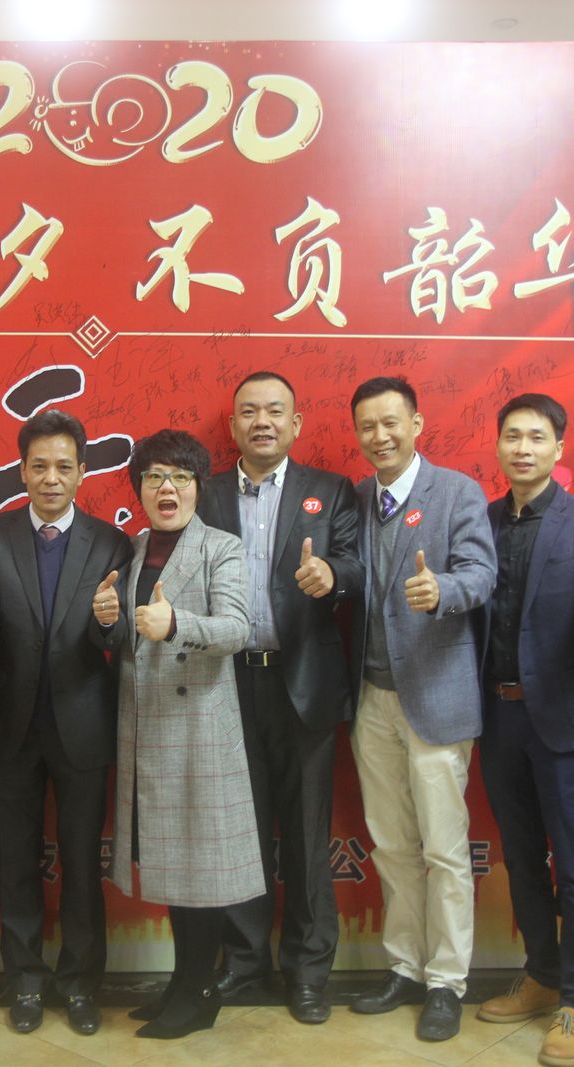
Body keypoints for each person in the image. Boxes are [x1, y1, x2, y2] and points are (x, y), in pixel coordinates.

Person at [0, 409, 132, 1036]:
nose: (51, 478)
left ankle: (81, 984)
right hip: (10, 727)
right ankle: (25, 981)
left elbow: (116, 632)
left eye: (63, 466)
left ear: (83, 472)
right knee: (17, 859)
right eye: (39, 466)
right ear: (22, 471)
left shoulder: (111, 542)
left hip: (83, 725)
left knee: (82, 863)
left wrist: (110, 621)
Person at [197, 371, 363, 1024]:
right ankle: (243, 961)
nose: (261, 421)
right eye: (248, 411)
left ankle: (308, 971)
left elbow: (356, 564)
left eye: (274, 411)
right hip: (226, 683)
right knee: (238, 831)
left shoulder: (332, 490)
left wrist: (332, 574)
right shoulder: (207, 493)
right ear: (233, 426)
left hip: (303, 686)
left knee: (305, 836)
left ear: (296, 424)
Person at [474, 394, 574, 1067]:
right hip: (497, 716)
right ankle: (542, 973)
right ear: (498, 445)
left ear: (559, 448)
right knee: (520, 856)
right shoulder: (480, 521)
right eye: (512, 436)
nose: (523, 448)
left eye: (537, 437)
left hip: (564, 719)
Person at [98, 428, 264, 1041]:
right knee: (169, 863)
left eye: (180, 477)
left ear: (198, 487)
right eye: (153, 477)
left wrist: (176, 624)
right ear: (139, 488)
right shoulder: (135, 547)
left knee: (202, 867)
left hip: (199, 730)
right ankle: (180, 982)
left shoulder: (221, 547)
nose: (166, 488)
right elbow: (129, 636)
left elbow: (236, 629)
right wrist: (108, 620)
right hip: (144, 726)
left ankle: (199, 990)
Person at [345, 376, 497, 1042]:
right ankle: (405, 967)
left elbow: (482, 573)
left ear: (417, 423)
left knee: (444, 849)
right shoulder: (355, 499)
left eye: (391, 423)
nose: (379, 436)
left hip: (435, 694)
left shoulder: (458, 492)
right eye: (367, 426)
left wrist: (443, 591)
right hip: (371, 698)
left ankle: (446, 982)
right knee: (392, 844)